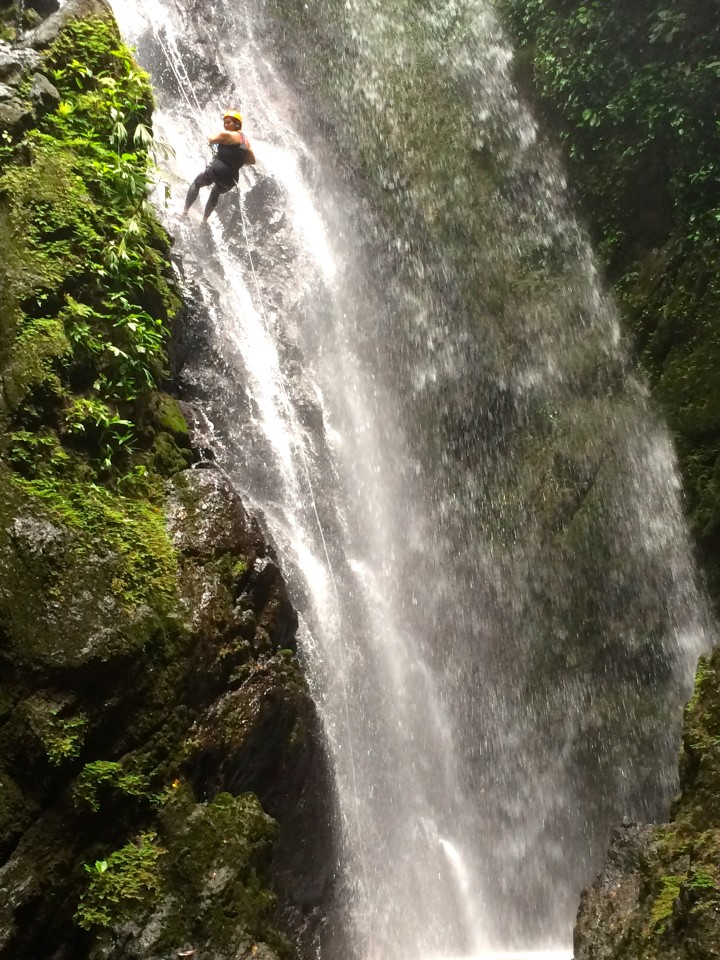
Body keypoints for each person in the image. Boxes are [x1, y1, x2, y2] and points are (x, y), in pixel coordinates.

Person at [182, 111, 256, 222]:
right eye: (224, 122)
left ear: (237, 124)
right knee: (215, 192)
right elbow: (252, 161)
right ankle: (204, 220)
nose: (225, 125)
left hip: (218, 169)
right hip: (231, 179)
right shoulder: (246, 144)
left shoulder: (228, 135)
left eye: (228, 122)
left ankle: (185, 211)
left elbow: (211, 139)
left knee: (197, 183)